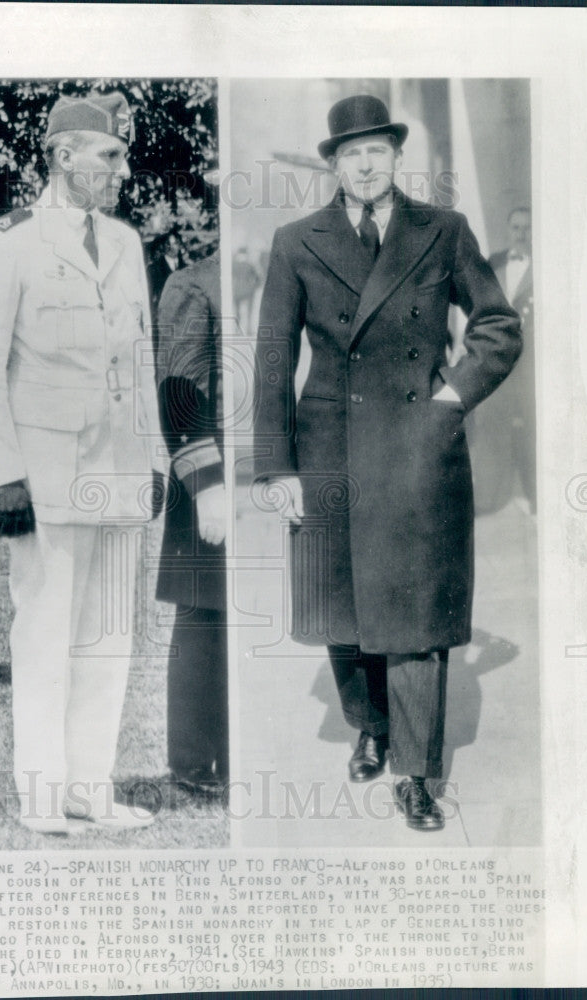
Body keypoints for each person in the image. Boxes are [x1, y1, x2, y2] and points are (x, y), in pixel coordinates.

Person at [254, 94, 521, 831]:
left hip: (415, 450)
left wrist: (450, 402)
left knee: (416, 619)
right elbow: (275, 360)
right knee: (340, 608)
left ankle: (415, 775)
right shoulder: (295, 241)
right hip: (328, 447)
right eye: (351, 153)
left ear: (396, 156)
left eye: (377, 150)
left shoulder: (444, 230)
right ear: (332, 163)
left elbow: (498, 325)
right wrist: (276, 469)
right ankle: (368, 723)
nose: (365, 164)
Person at [0, 92, 165, 833]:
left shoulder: (125, 244)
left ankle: (90, 788)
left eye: (121, 156)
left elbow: (140, 361)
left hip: (117, 467)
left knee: (108, 638)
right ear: (63, 156)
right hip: (42, 474)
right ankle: (42, 794)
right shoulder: (9, 242)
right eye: (108, 156)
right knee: (44, 633)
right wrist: (0, 475)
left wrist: (156, 459)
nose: (120, 169)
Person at [155, 248, 228, 794]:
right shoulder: (194, 285)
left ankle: (231, 753)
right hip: (209, 473)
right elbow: (178, 391)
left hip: (259, 474)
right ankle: (191, 761)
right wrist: (205, 486)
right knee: (203, 610)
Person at [471, 207, 535, 513]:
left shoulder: (545, 265)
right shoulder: (493, 263)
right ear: (508, 230)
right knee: (491, 424)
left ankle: (532, 496)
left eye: (527, 228)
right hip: (495, 359)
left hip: (529, 361)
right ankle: (491, 497)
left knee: (528, 425)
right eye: (516, 227)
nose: (521, 233)